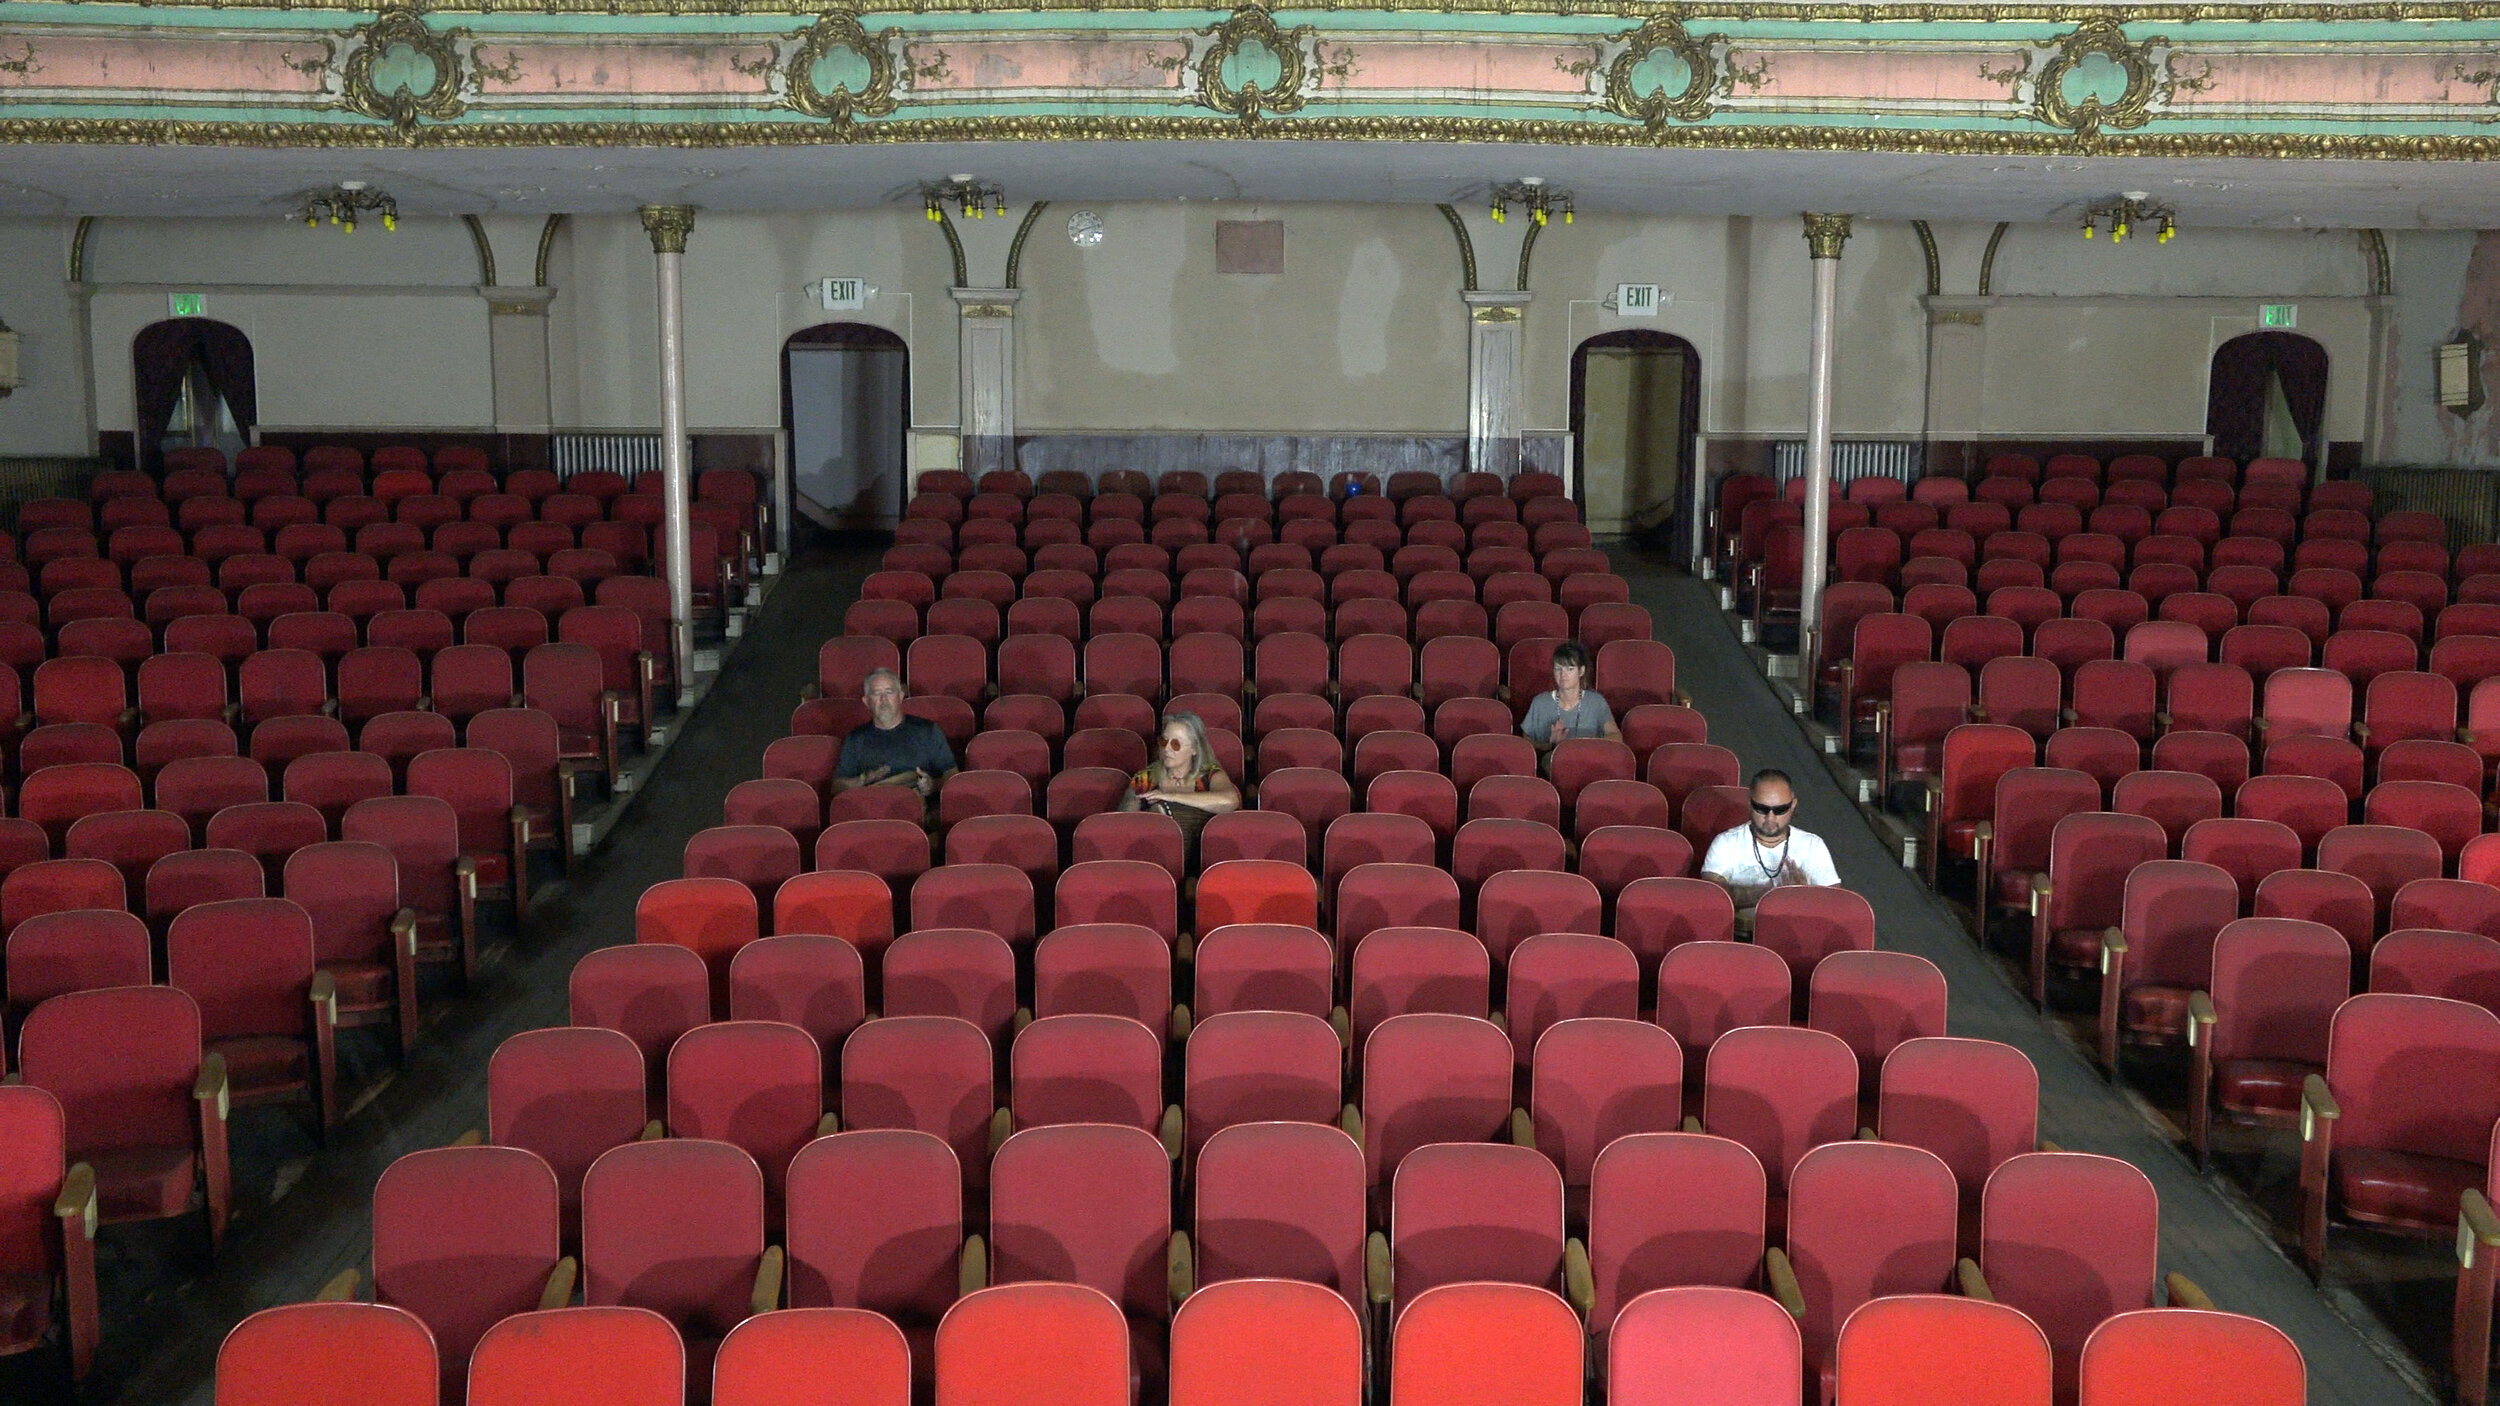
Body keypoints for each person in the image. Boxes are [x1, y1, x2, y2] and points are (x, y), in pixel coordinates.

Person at [1699, 768, 1842, 929]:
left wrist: (1805, 897)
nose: (1770, 817)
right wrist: (1783, 894)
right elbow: (1714, 898)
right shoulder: (1726, 843)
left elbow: (1833, 903)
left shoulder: (1812, 846)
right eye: (1762, 808)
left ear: (1793, 805)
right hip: (1739, 935)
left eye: (1780, 810)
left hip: (1797, 932)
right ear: (1749, 803)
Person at [1119, 711, 1241, 872]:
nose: (1167, 749)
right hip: (1154, 857)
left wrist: (1172, 796)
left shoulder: (1210, 775)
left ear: (1194, 749)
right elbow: (1123, 825)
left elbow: (1230, 801)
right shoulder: (1145, 778)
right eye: (1164, 741)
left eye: (1176, 744)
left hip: (1199, 861)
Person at [833, 668, 957, 800]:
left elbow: (952, 775)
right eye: (876, 693)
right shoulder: (855, 738)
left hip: (921, 811)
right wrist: (865, 779)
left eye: (889, 692)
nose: (884, 699)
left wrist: (933, 785)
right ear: (866, 701)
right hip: (873, 810)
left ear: (900, 696)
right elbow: (837, 787)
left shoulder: (928, 730)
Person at [1520, 640, 1621, 767]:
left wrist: (1588, 745)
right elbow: (1525, 742)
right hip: (1555, 761)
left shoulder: (1596, 702)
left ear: (1581, 671)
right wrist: (1549, 745)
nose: (1563, 675)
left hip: (1591, 760)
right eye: (1558, 668)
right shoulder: (1540, 702)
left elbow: (1616, 736)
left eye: (1570, 669)